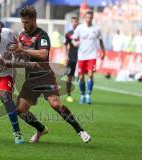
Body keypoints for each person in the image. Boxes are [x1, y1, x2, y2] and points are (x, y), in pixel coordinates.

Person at [10, 6, 91, 143]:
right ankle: (41, 129)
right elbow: (20, 54)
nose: (24, 25)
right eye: (22, 22)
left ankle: (80, 130)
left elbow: (43, 54)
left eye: (26, 22)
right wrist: (16, 53)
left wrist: (22, 49)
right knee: (20, 110)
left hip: (44, 76)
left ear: (34, 20)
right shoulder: (22, 36)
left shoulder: (42, 35)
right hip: (30, 79)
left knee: (55, 104)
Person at [72, 11, 106, 104]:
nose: (88, 19)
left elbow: (101, 40)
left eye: (90, 18)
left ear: (92, 18)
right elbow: (74, 39)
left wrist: (103, 51)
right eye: (87, 18)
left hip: (92, 55)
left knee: (91, 74)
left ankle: (88, 95)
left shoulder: (96, 29)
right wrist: (75, 43)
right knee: (81, 77)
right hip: (82, 56)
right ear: (85, 18)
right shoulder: (80, 28)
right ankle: (82, 95)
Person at [64, 16, 79, 103]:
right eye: (72, 22)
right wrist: (66, 56)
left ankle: (84, 96)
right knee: (69, 77)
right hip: (72, 57)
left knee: (81, 76)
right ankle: (69, 95)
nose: (74, 23)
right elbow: (65, 44)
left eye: (75, 21)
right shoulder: (69, 33)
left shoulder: (82, 33)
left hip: (81, 57)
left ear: (78, 22)